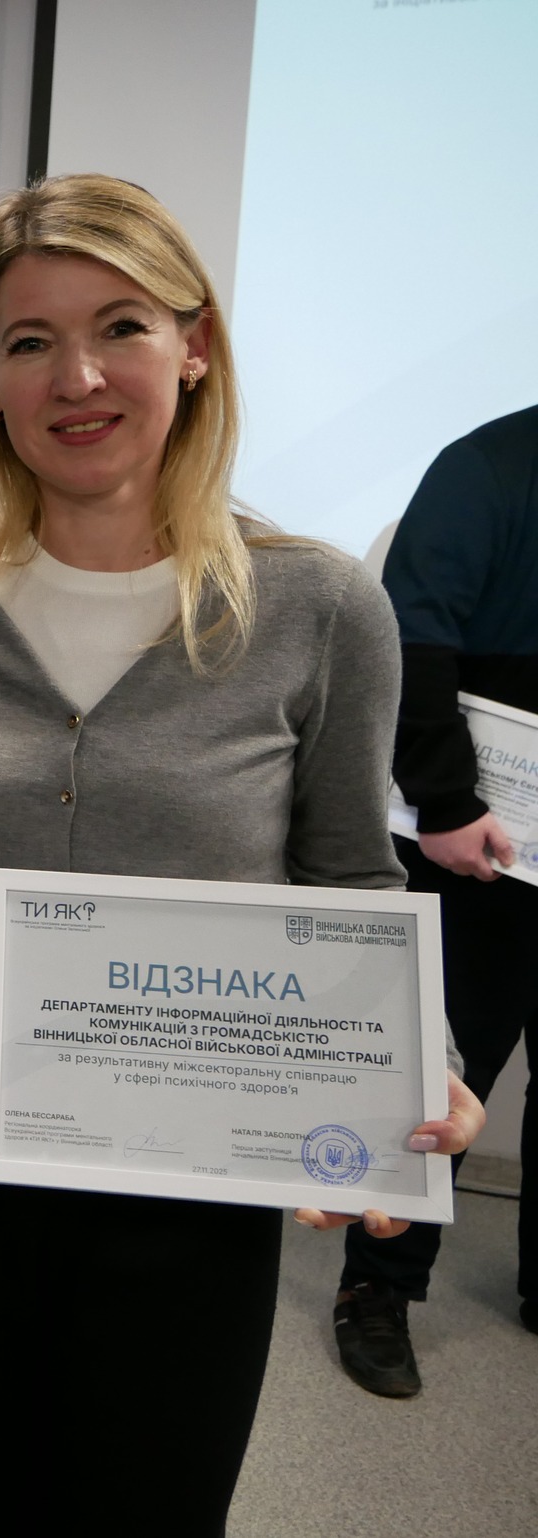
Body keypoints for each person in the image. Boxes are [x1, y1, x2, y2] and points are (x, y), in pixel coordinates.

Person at [0, 174, 484, 1536]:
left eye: (120, 327)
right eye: (29, 341)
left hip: (190, 1187)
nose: (76, 377)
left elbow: (351, 879)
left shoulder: (318, 604)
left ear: (193, 347)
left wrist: (411, 1063)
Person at [329, 402, 538, 1397]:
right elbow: (407, 635)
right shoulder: (488, 465)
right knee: (443, 1071)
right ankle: (378, 1283)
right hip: (480, 847)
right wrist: (445, 800)